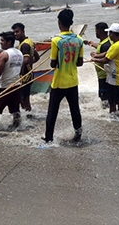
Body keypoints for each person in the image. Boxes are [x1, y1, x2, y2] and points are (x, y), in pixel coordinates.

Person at [43, 9, 84, 143]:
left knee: (52, 111)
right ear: (71, 23)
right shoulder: (79, 40)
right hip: (73, 81)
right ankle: (78, 134)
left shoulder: (56, 40)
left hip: (59, 82)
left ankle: (49, 138)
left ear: (59, 23)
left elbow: (53, 64)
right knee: (75, 109)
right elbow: (79, 62)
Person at [0, 31, 23, 130]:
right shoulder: (19, 53)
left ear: (9, 42)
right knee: (15, 111)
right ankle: (17, 128)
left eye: (2, 40)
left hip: (5, 87)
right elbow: (19, 70)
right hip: (17, 85)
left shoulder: (4, 54)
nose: (0, 42)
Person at [91, 23, 119, 114]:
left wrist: (95, 59)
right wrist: (97, 55)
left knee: (112, 102)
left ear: (113, 34)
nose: (109, 35)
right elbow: (107, 53)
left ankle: (113, 119)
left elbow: (106, 59)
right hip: (118, 76)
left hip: (114, 78)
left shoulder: (116, 46)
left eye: (110, 33)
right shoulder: (118, 44)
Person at [11, 23, 39, 112]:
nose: (15, 34)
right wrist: (30, 64)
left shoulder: (24, 45)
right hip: (29, 74)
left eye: (17, 32)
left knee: (23, 99)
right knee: (25, 98)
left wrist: (17, 70)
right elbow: (37, 57)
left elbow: (26, 60)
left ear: (23, 31)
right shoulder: (29, 41)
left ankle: (27, 117)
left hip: (25, 76)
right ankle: (28, 115)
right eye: (14, 32)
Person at [84, 22, 112, 108]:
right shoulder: (104, 42)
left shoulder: (106, 45)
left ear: (100, 31)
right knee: (104, 96)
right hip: (102, 75)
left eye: (96, 31)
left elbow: (107, 58)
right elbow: (99, 46)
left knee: (104, 96)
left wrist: (95, 58)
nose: (95, 33)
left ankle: (107, 112)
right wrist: (90, 43)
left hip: (104, 76)